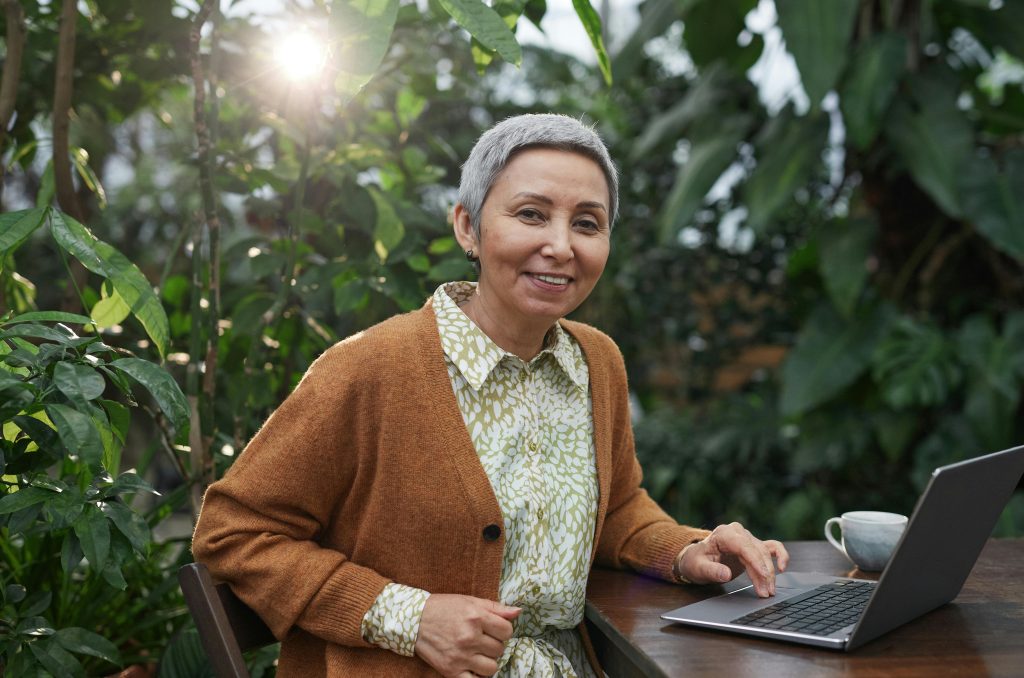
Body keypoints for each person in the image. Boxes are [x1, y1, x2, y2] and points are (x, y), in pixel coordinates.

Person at [191, 113, 789, 678]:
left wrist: (687, 551)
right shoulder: (370, 369)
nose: (561, 246)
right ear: (467, 227)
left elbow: (617, 510)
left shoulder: (596, 362)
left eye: (587, 223)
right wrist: (408, 617)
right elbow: (234, 532)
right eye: (531, 214)